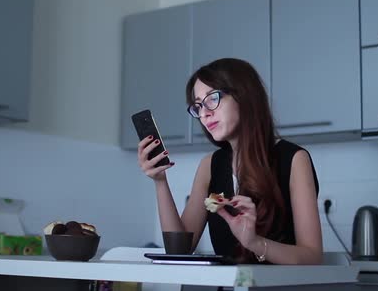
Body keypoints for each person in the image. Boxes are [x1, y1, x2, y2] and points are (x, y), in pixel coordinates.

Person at [137, 58, 322, 264]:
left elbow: (312, 256)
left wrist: (254, 242)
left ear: (244, 96)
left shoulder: (295, 159)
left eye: (212, 99)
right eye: (198, 106)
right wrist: (160, 180)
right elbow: (181, 248)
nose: (205, 113)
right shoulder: (209, 166)